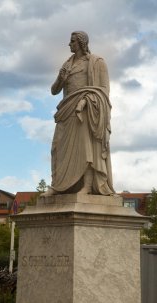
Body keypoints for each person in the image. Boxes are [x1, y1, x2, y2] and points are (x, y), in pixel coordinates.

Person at [42, 31, 115, 196]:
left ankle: (87, 186)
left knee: (85, 148)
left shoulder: (96, 62)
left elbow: (103, 91)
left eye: (72, 41)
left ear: (81, 43)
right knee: (57, 148)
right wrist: (61, 78)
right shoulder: (67, 64)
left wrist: (86, 100)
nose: (69, 44)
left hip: (85, 110)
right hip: (66, 111)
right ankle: (58, 185)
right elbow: (54, 90)